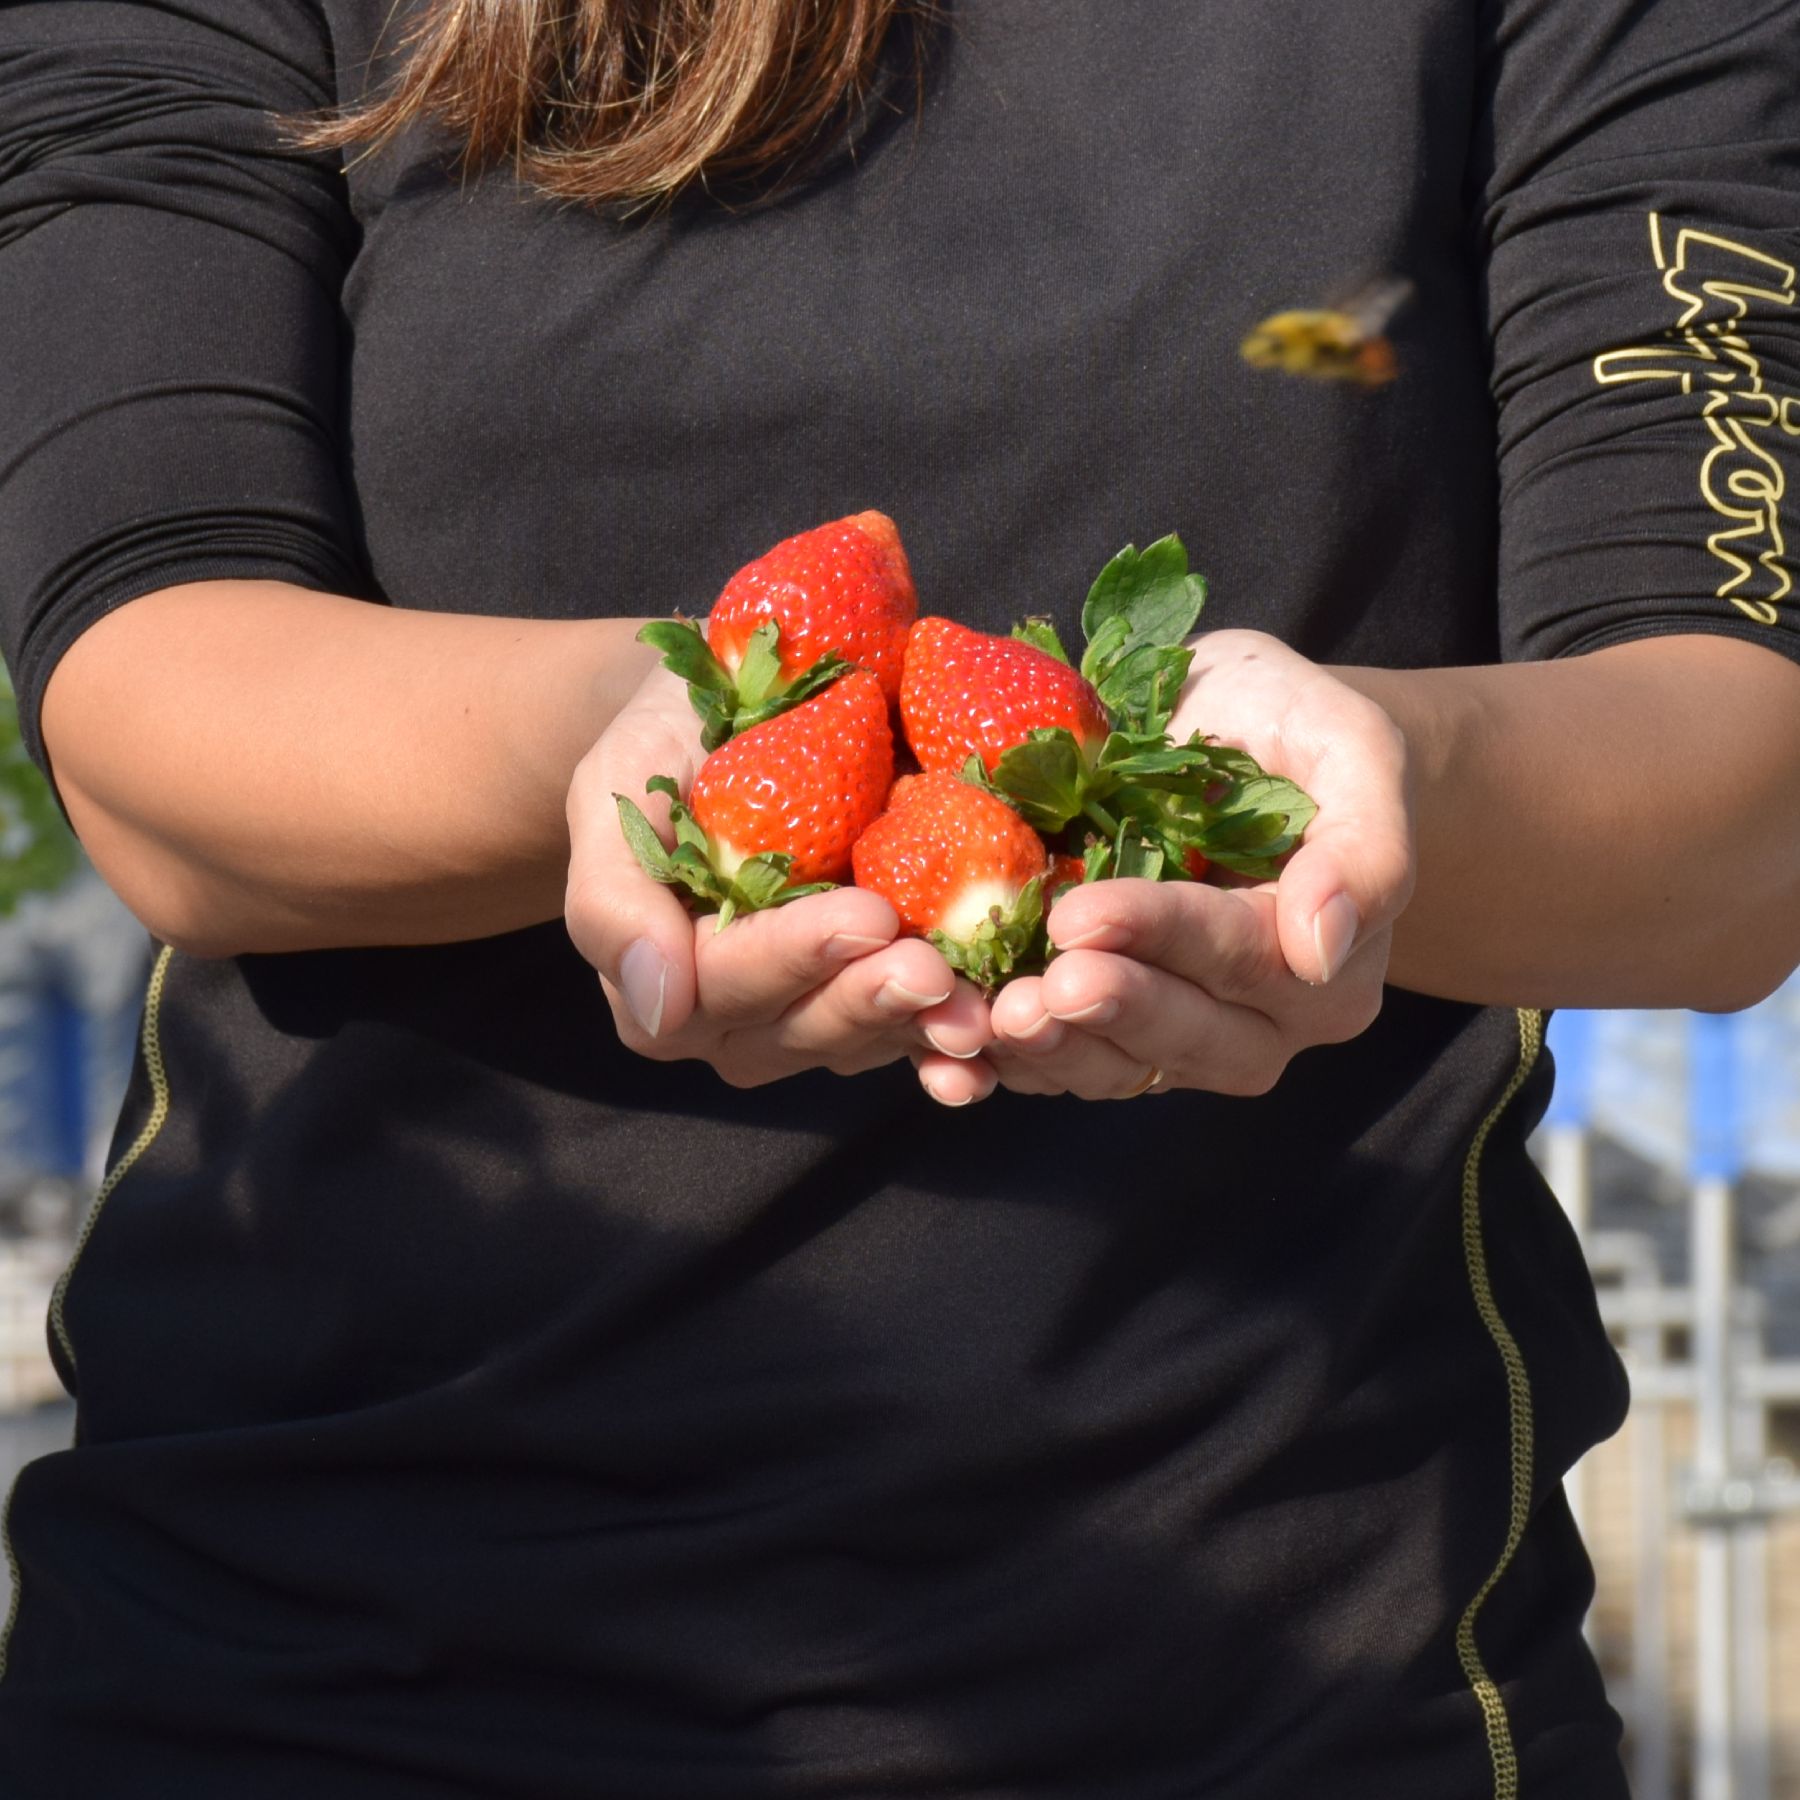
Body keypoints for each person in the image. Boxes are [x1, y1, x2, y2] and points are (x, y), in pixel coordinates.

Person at [0, 1, 1796, 1795]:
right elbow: (148, 676)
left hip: (1286, 1679)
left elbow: (1743, 805)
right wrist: (651, 729)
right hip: (313, 1669)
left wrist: (1329, 793)